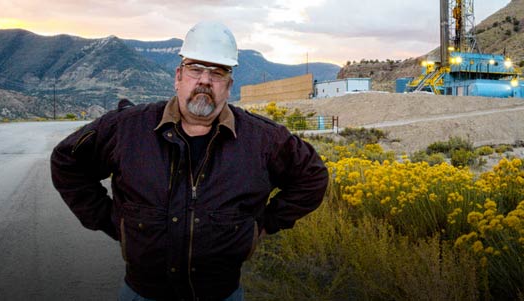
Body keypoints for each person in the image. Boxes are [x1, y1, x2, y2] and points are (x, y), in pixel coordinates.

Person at [50, 21, 328, 301]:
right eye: (195, 69)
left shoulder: (263, 139)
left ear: (229, 85)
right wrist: (113, 220)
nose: (205, 81)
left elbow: (313, 176)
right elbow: (67, 161)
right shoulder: (128, 128)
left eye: (217, 72)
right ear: (178, 77)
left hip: (222, 293)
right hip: (142, 293)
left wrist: (265, 224)